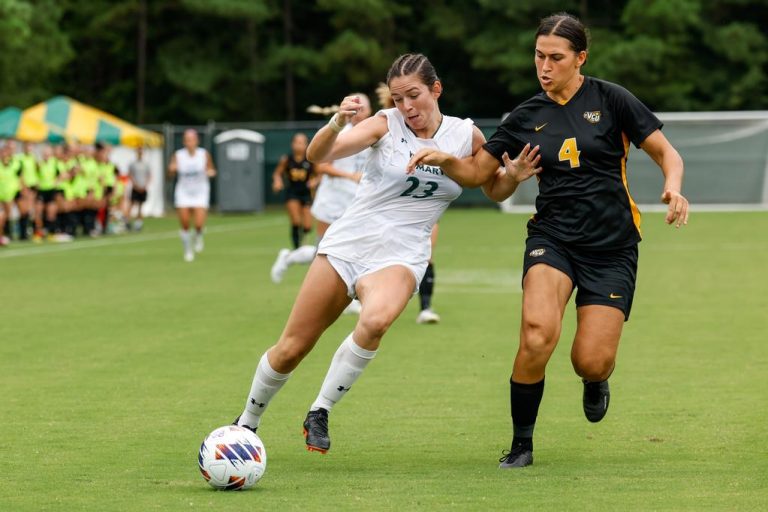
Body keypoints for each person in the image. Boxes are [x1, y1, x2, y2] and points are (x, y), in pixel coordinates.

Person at [407, 13, 689, 468]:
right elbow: (484, 176)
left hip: (612, 246)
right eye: (539, 56)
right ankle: (522, 444)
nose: (545, 66)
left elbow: (665, 153)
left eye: (556, 57)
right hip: (552, 239)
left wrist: (674, 186)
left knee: (590, 361)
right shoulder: (526, 116)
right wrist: (445, 159)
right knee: (538, 334)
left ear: (580, 58)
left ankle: (597, 380)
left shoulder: (611, 99)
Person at [234, 53, 486, 454]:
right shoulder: (384, 123)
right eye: (398, 98)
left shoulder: (464, 134)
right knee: (293, 346)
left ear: (436, 90)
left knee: (376, 321)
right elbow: (318, 156)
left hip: (402, 253)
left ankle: (320, 410)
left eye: (414, 96)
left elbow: (488, 180)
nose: (407, 107)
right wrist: (336, 121)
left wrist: (508, 173)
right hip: (349, 243)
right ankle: (246, 422)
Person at [269, 94, 370, 297]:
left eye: (364, 109)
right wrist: (350, 176)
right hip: (332, 199)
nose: (360, 113)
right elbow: (322, 167)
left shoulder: (371, 134)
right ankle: (288, 257)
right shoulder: (343, 133)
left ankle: (351, 295)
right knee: (321, 252)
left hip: (354, 200)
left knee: (355, 247)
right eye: (356, 108)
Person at [168, 129, 216, 262]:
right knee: (184, 224)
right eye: (187, 140)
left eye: (192, 140)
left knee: (199, 224)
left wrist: (211, 172)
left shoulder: (203, 154)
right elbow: (170, 174)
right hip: (183, 192)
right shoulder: (178, 155)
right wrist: (171, 170)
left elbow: (211, 169)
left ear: (197, 141)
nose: (190, 143)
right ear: (184, 142)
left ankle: (198, 235)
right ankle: (187, 250)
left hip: (200, 192)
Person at [272, 133, 315, 250]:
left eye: (302, 143)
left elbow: (320, 173)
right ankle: (297, 248)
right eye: (296, 142)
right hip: (292, 193)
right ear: (292, 144)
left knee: (307, 225)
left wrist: (314, 181)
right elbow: (277, 173)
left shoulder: (311, 159)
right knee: (296, 221)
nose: (299, 145)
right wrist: (277, 181)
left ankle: (304, 240)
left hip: (306, 193)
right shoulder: (286, 159)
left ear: (307, 145)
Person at [128, 147, 151, 231]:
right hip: (135, 187)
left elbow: (149, 175)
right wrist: (136, 185)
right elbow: (130, 175)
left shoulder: (146, 164)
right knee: (132, 204)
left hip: (143, 187)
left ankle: (139, 223)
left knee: (141, 206)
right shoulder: (133, 164)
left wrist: (145, 185)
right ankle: (127, 222)